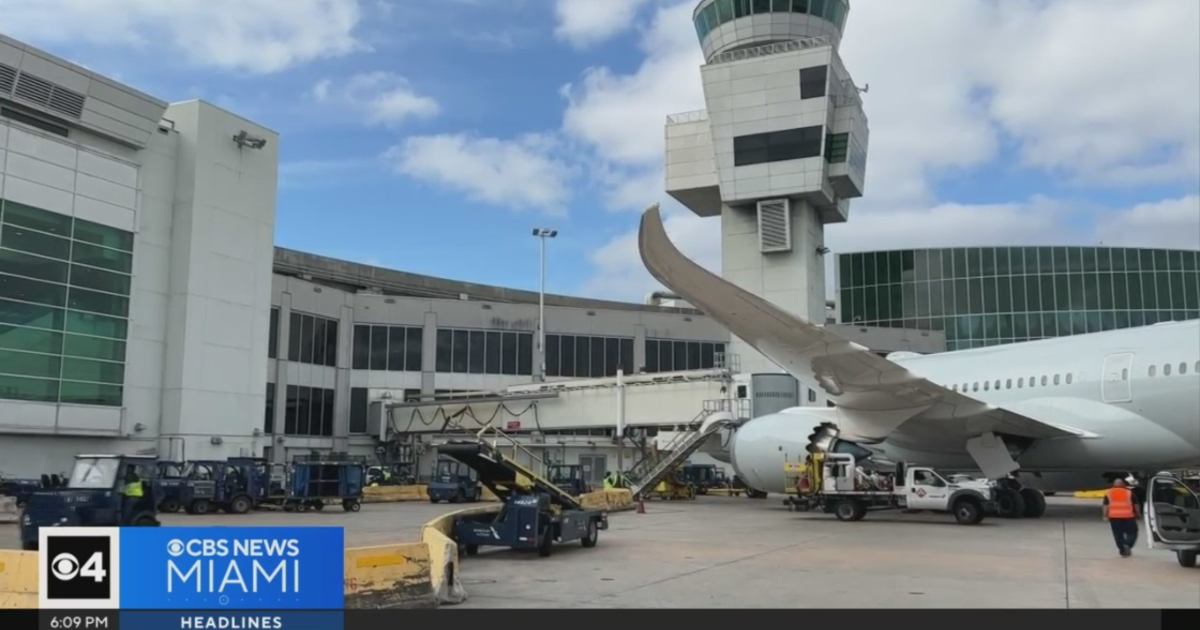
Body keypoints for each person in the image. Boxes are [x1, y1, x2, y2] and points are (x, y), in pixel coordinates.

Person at [1103, 478, 1140, 557]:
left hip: (1114, 517)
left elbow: (1105, 506)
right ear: (1123, 484)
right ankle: (1127, 544)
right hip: (1128, 516)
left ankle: (1122, 549)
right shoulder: (1129, 493)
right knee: (1132, 532)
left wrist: (1105, 516)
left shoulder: (1109, 493)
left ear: (1114, 485)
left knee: (1117, 534)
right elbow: (1136, 505)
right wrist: (1138, 514)